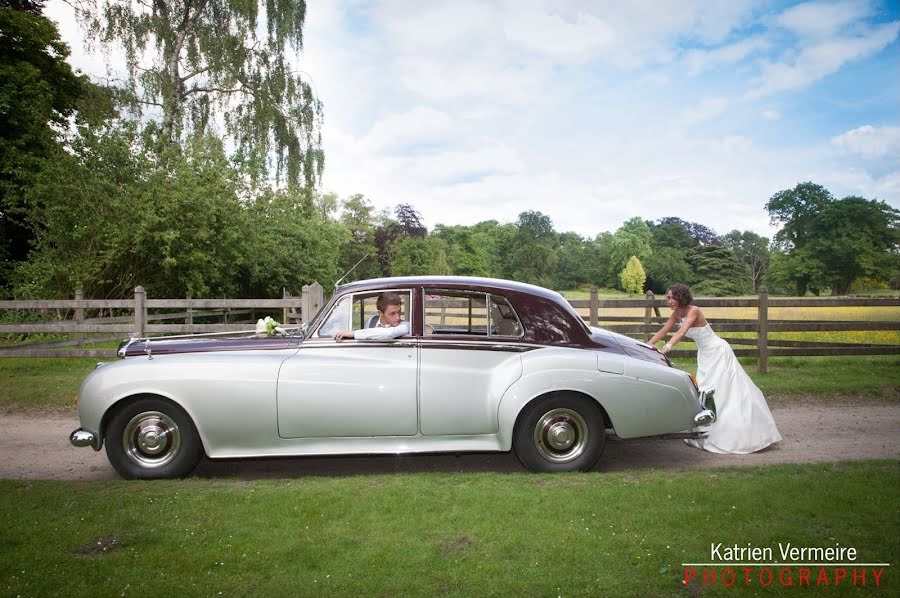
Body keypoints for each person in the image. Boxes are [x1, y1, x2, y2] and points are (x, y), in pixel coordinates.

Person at [648, 283, 781, 454]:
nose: (668, 301)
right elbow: (663, 331)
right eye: (668, 298)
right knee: (704, 389)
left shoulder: (693, 311)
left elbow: (681, 332)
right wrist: (645, 346)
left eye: (671, 297)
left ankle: (733, 433)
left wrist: (667, 348)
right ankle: (706, 428)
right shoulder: (676, 313)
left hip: (718, 351)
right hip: (705, 355)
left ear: (680, 297)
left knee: (721, 390)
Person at [333, 292, 410, 341]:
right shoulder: (371, 321)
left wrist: (353, 333)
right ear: (380, 313)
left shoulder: (405, 325)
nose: (398, 317)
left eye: (399, 312)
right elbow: (366, 338)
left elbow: (389, 334)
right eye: (392, 314)